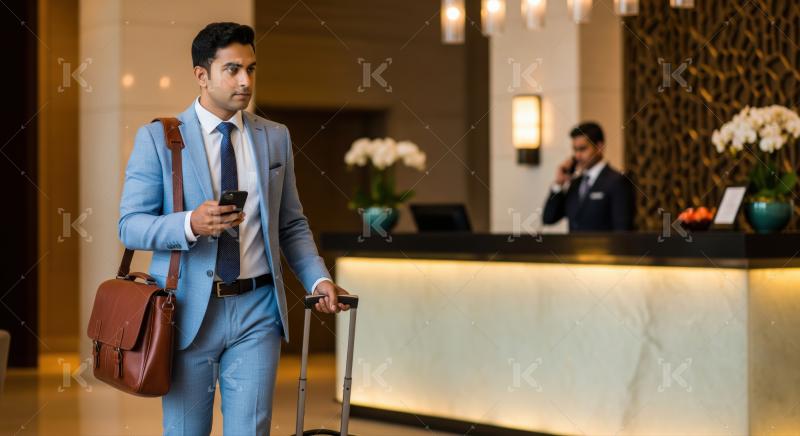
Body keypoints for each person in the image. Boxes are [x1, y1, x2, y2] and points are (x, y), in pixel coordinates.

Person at [117, 22, 349, 435]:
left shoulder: (275, 138)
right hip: (186, 312)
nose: (246, 81)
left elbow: (291, 223)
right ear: (201, 75)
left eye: (252, 69)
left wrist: (318, 279)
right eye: (233, 69)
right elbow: (130, 226)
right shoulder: (158, 138)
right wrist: (190, 223)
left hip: (258, 310)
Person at [542, 122, 633, 231]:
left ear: (599, 147)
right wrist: (558, 184)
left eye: (582, 149)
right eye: (575, 150)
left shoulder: (617, 181)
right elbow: (548, 218)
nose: (577, 155)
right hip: (573, 248)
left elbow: (623, 230)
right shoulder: (575, 183)